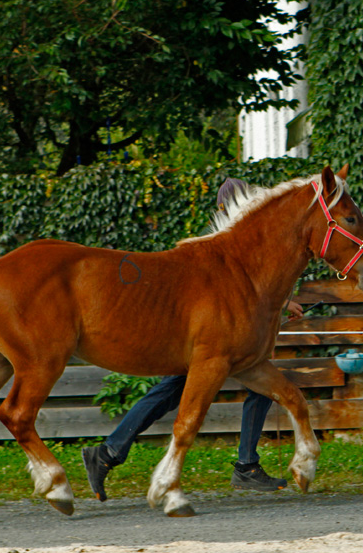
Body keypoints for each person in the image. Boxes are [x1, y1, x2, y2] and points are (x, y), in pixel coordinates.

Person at [82, 178, 304, 501]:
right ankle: (109, 452)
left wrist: (279, 304)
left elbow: (255, 283)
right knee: (171, 390)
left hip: (218, 336)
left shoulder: (248, 243)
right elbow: (230, 284)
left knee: (253, 386)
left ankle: (110, 452)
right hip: (204, 336)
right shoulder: (219, 244)